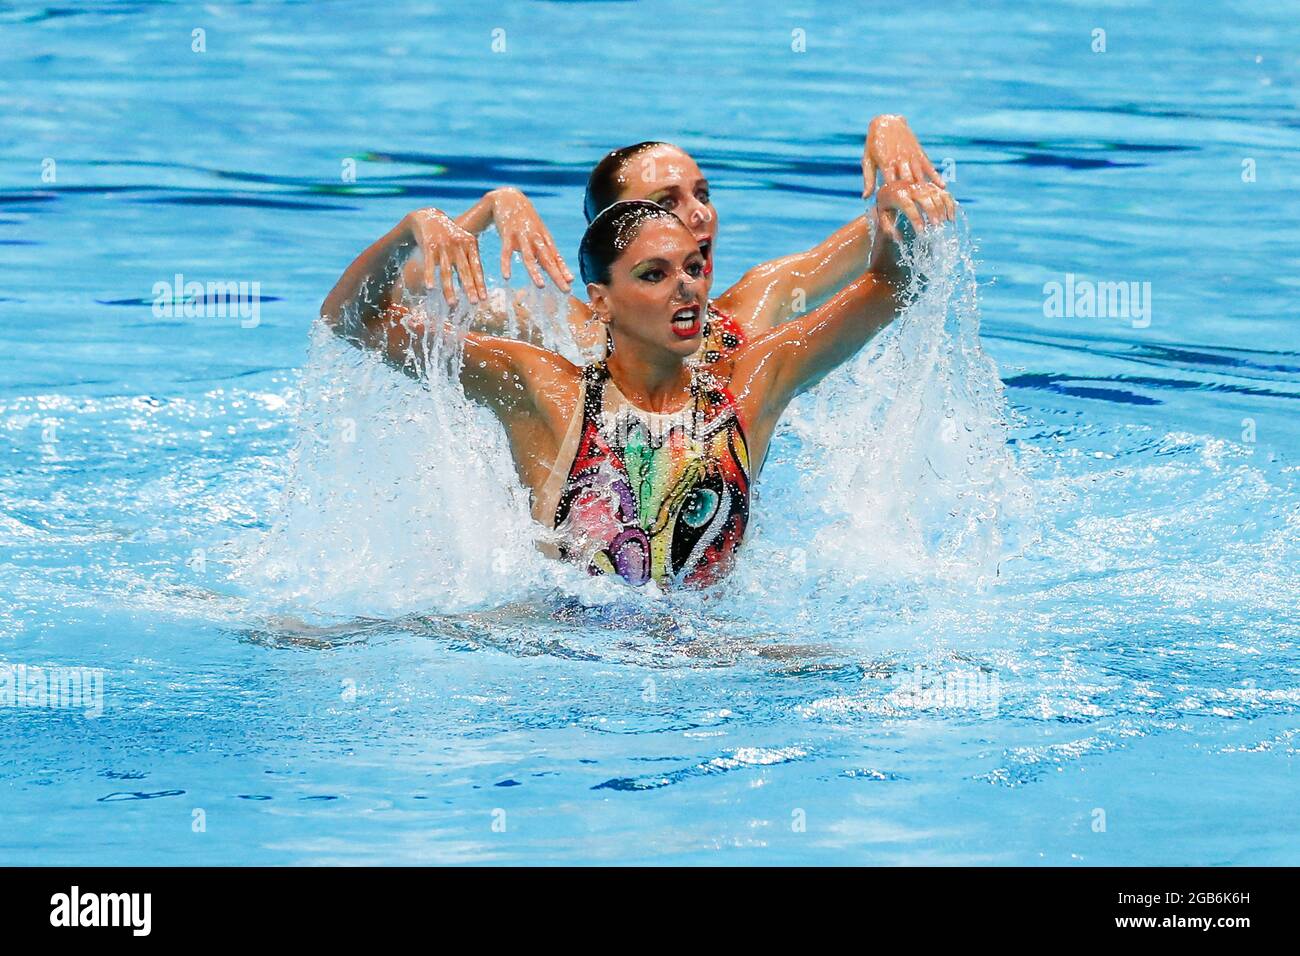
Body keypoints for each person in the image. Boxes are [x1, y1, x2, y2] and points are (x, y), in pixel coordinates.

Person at [320, 178, 955, 589]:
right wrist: (412, 230)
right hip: (558, 667)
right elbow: (351, 321)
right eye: (653, 274)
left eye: (694, 268)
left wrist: (899, 212)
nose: (686, 286)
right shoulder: (547, 389)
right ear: (601, 301)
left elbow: (889, 287)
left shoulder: (753, 379)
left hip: (717, 667)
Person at [339, 116, 950, 362]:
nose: (697, 216)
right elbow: (372, 312)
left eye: (702, 195)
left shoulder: (759, 308)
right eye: (665, 204)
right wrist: (474, 215)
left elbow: (906, 234)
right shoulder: (555, 335)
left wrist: (893, 145)